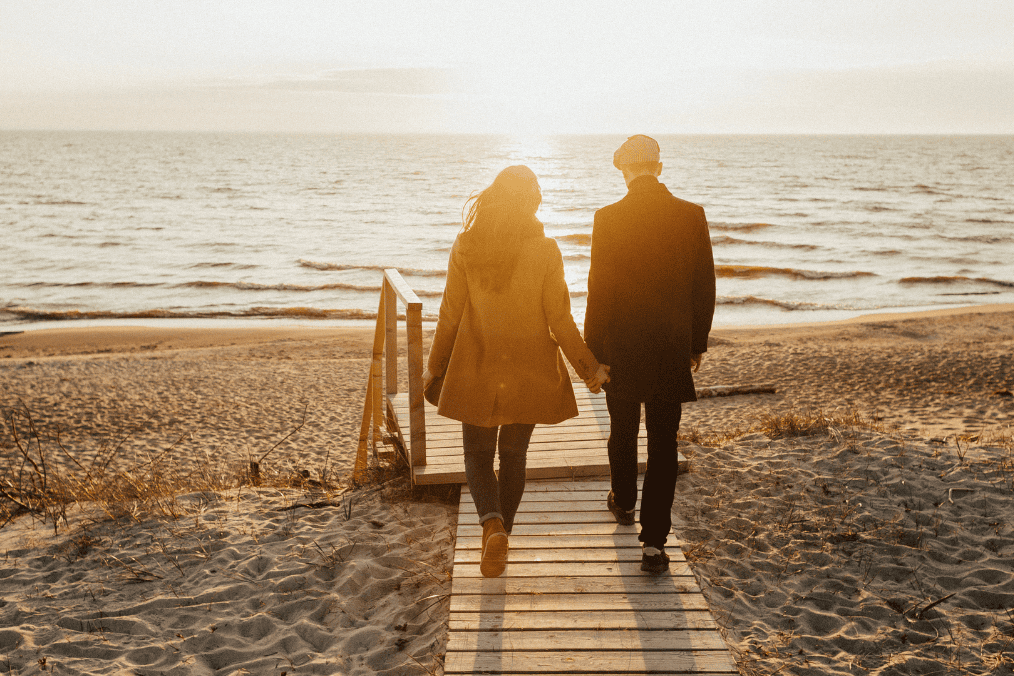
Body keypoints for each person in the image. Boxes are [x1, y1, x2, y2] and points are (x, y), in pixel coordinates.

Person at [424, 165, 610, 578]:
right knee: (514, 456)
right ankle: (502, 532)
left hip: (476, 366)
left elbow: (450, 315)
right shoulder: (546, 251)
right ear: (532, 205)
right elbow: (560, 321)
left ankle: (491, 526)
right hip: (530, 369)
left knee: (476, 453)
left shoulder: (466, 246)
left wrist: (433, 367)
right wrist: (589, 369)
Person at [585, 135, 716, 574]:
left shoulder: (607, 218)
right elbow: (704, 287)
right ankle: (654, 544)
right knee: (663, 445)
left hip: (621, 347)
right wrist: (696, 343)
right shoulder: (691, 215)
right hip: (669, 346)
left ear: (624, 171)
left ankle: (622, 501)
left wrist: (593, 353)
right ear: (658, 169)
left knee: (622, 431)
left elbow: (597, 291)